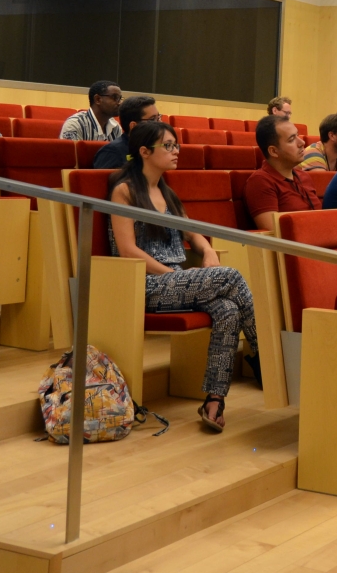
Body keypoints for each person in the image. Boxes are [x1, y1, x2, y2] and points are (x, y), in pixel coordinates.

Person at [109, 120, 259, 432]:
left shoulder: (168, 193)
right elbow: (127, 250)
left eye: (176, 144)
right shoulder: (124, 191)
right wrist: (171, 275)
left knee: (228, 310)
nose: (176, 151)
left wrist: (208, 252)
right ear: (144, 151)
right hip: (145, 284)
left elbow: (194, 233)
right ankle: (265, 355)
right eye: (168, 145)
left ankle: (214, 400)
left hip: (177, 281)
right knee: (230, 277)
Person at [243, 114, 321, 231]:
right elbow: (273, 233)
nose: (301, 143)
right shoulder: (260, 181)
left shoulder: (304, 177)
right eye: (291, 139)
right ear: (274, 151)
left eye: (298, 135)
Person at [91, 95, 162, 169]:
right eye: (153, 119)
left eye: (159, 117)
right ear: (134, 126)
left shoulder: (157, 148)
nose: (160, 123)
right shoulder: (112, 153)